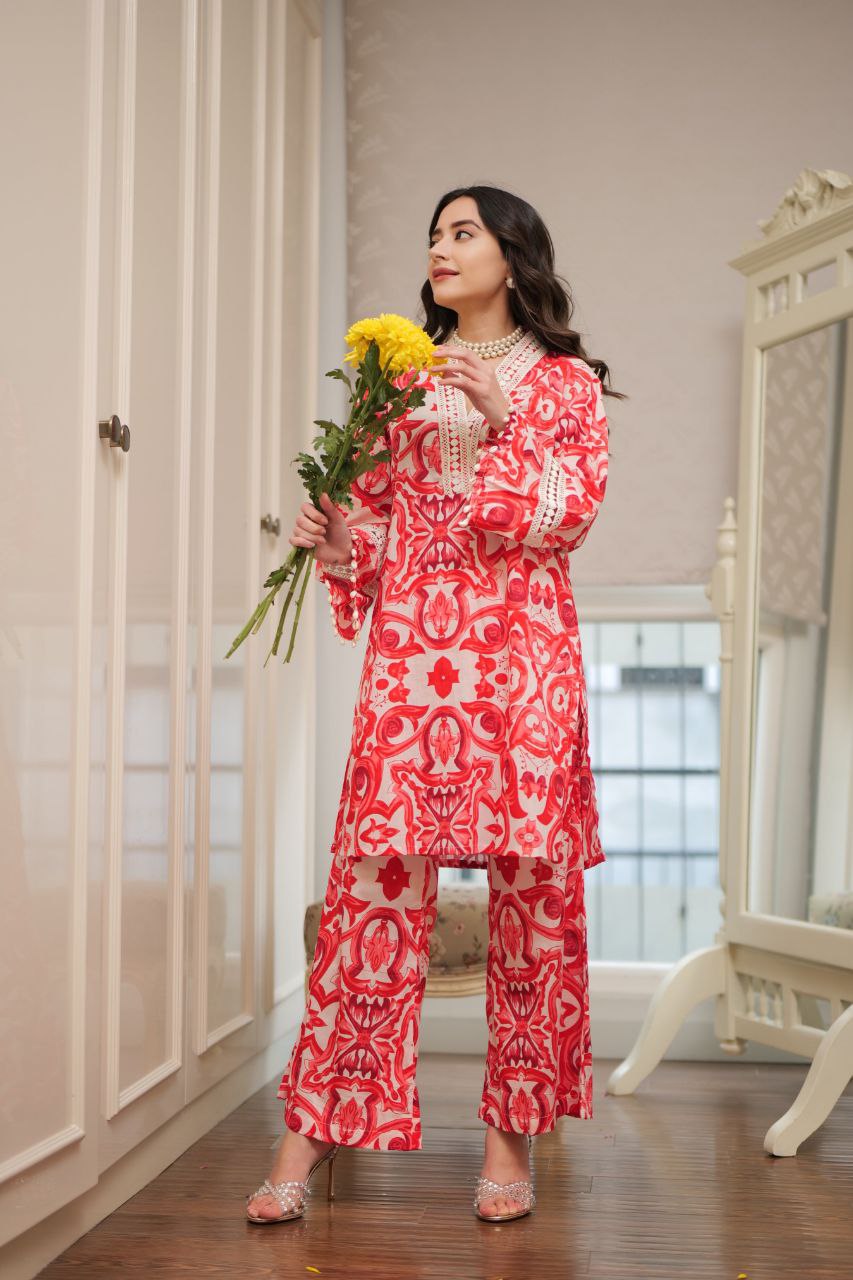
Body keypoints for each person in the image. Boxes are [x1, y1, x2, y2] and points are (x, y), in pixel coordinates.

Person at [245, 184, 625, 1226]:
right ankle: (310, 1130)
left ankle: (511, 1140)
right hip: (412, 658)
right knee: (370, 892)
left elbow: (566, 514)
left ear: (513, 255)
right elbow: (380, 529)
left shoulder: (567, 384)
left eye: (463, 233)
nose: (439, 248)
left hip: (522, 661)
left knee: (533, 901)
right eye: (433, 235)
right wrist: (338, 538)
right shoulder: (394, 382)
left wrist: (505, 418)